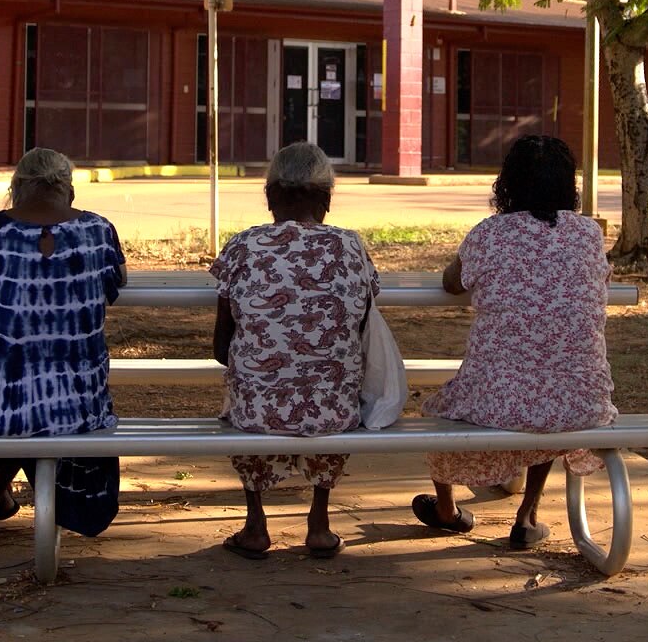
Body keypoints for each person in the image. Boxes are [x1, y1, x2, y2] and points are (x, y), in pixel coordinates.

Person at [413, 134, 617, 550]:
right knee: (545, 396)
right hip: (581, 401)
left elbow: (452, 283)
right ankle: (527, 515)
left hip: (500, 399)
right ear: (567, 185)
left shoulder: (490, 233)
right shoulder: (588, 234)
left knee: (437, 410)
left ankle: (447, 509)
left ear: (507, 184)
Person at [0, 148, 127, 541]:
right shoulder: (98, 230)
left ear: (15, 188)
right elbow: (115, 285)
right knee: (29, 394)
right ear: (69, 190)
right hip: (79, 406)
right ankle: (1, 503)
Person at [210, 142, 379, 559]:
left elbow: (220, 346)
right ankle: (319, 525)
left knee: (245, 386)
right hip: (331, 413)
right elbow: (356, 327)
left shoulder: (243, 245)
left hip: (258, 414)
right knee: (331, 385)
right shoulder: (350, 246)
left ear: (269, 197)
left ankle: (255, 525)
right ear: (326, 199)